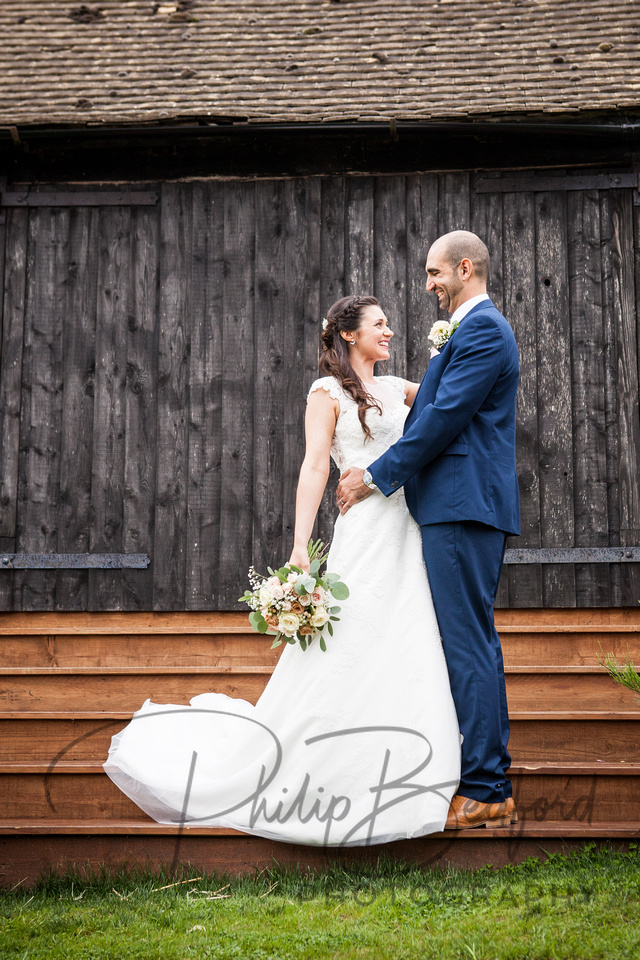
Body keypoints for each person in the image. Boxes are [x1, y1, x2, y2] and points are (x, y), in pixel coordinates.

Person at [104, 294, 461, 846]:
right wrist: (300, 545)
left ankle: (415, 765)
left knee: (407, 636)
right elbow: (315, 466)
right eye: (380, 325)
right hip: (365, 532)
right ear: (349, 334)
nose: (390, 332)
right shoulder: (327, 394)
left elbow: (445, 407)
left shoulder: (398, 389)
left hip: (407, 532)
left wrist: (449, 345)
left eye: (390, 324)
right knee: (352, 639)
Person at [337, 231, 520, 830]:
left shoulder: (485, 330)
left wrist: (376, 477)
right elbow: (433, 406)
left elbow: (443, 419)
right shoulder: (466, 334)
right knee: (468, 640)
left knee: (469, 642)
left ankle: (488, 787)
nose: (428, 286)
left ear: (465, 268)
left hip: (463, 506)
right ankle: (484, 780)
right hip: (452, 506)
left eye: (434, 273)